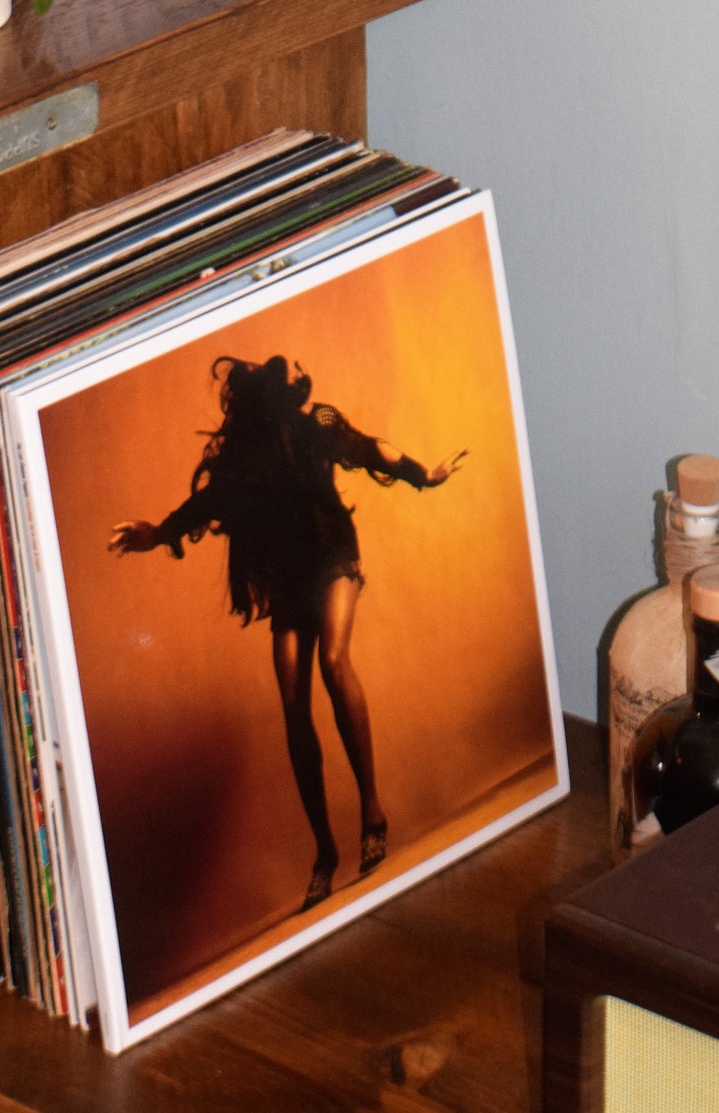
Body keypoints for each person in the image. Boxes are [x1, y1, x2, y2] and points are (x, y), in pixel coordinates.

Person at [109, 354, 465, 909]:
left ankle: (372, 810)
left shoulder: (318, 421)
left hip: (333, 554)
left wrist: (425, 476)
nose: (297, 375)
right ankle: (325, 851)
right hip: (288, 576)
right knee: (293, 703)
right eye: (285, 376)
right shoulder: (241, 460)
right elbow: (203, 504)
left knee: (334, 662)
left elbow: (371, 448)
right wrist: (156, 535)